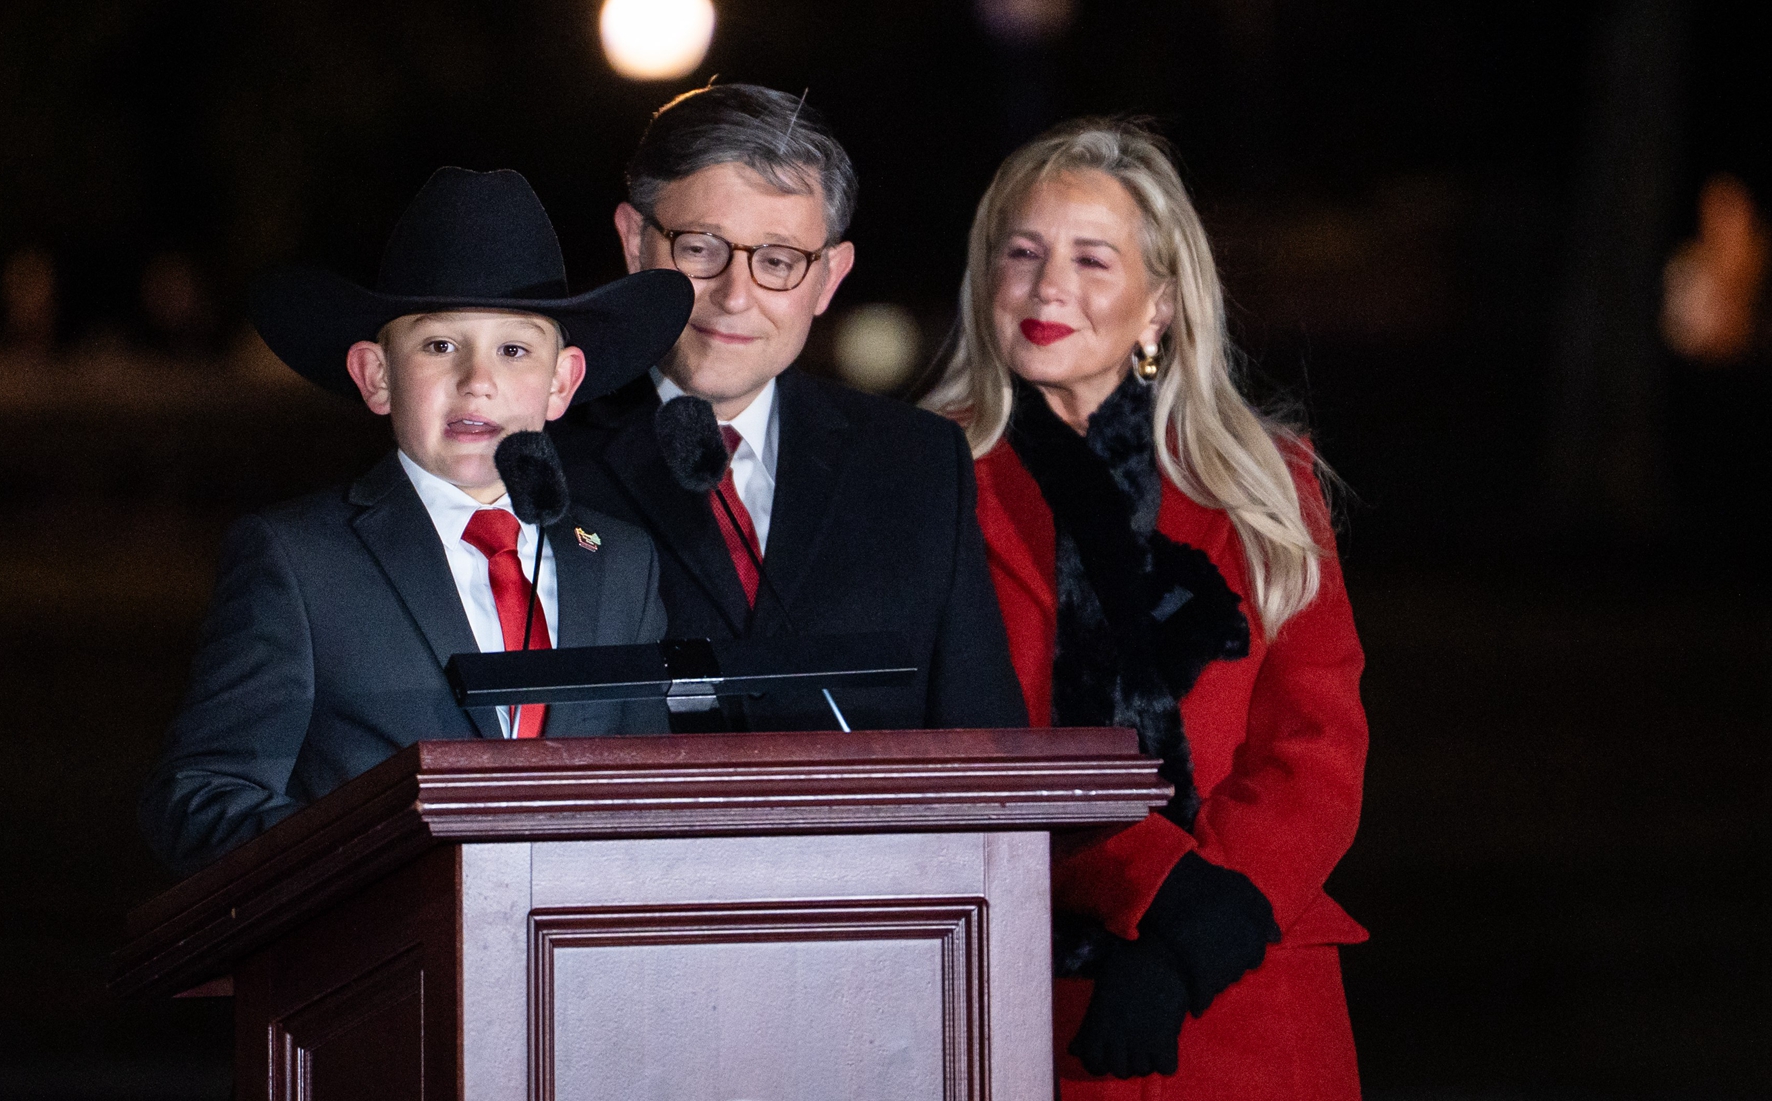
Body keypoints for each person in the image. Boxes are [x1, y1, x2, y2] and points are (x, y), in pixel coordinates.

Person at [920, 118, 1367, 1097]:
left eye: (1091, 259)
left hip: (1246, 994)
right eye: (1022, 254)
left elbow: (1316, 747)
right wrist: (1155, 885)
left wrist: (1190, 939)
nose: (1048, 288)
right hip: (1014, 998)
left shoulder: (1262, 478)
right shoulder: (923, 480)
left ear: (1159, 303)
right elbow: (960, 748)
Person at [139, 167, 695, 875]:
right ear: (376, 375)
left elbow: (649, 795)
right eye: (440, 346)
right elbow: (200, 799)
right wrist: (379, 860)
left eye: (514, 350)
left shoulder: (619, 561)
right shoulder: (300, 562)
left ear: (561, 382)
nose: (477, 381)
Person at [553, 84, 1028, 730]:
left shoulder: (919, 465)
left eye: (777, 261)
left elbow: (988, 751)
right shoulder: (544, 460)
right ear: (635, 242)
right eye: (700, 249)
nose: (735, 295)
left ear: (829, 277)